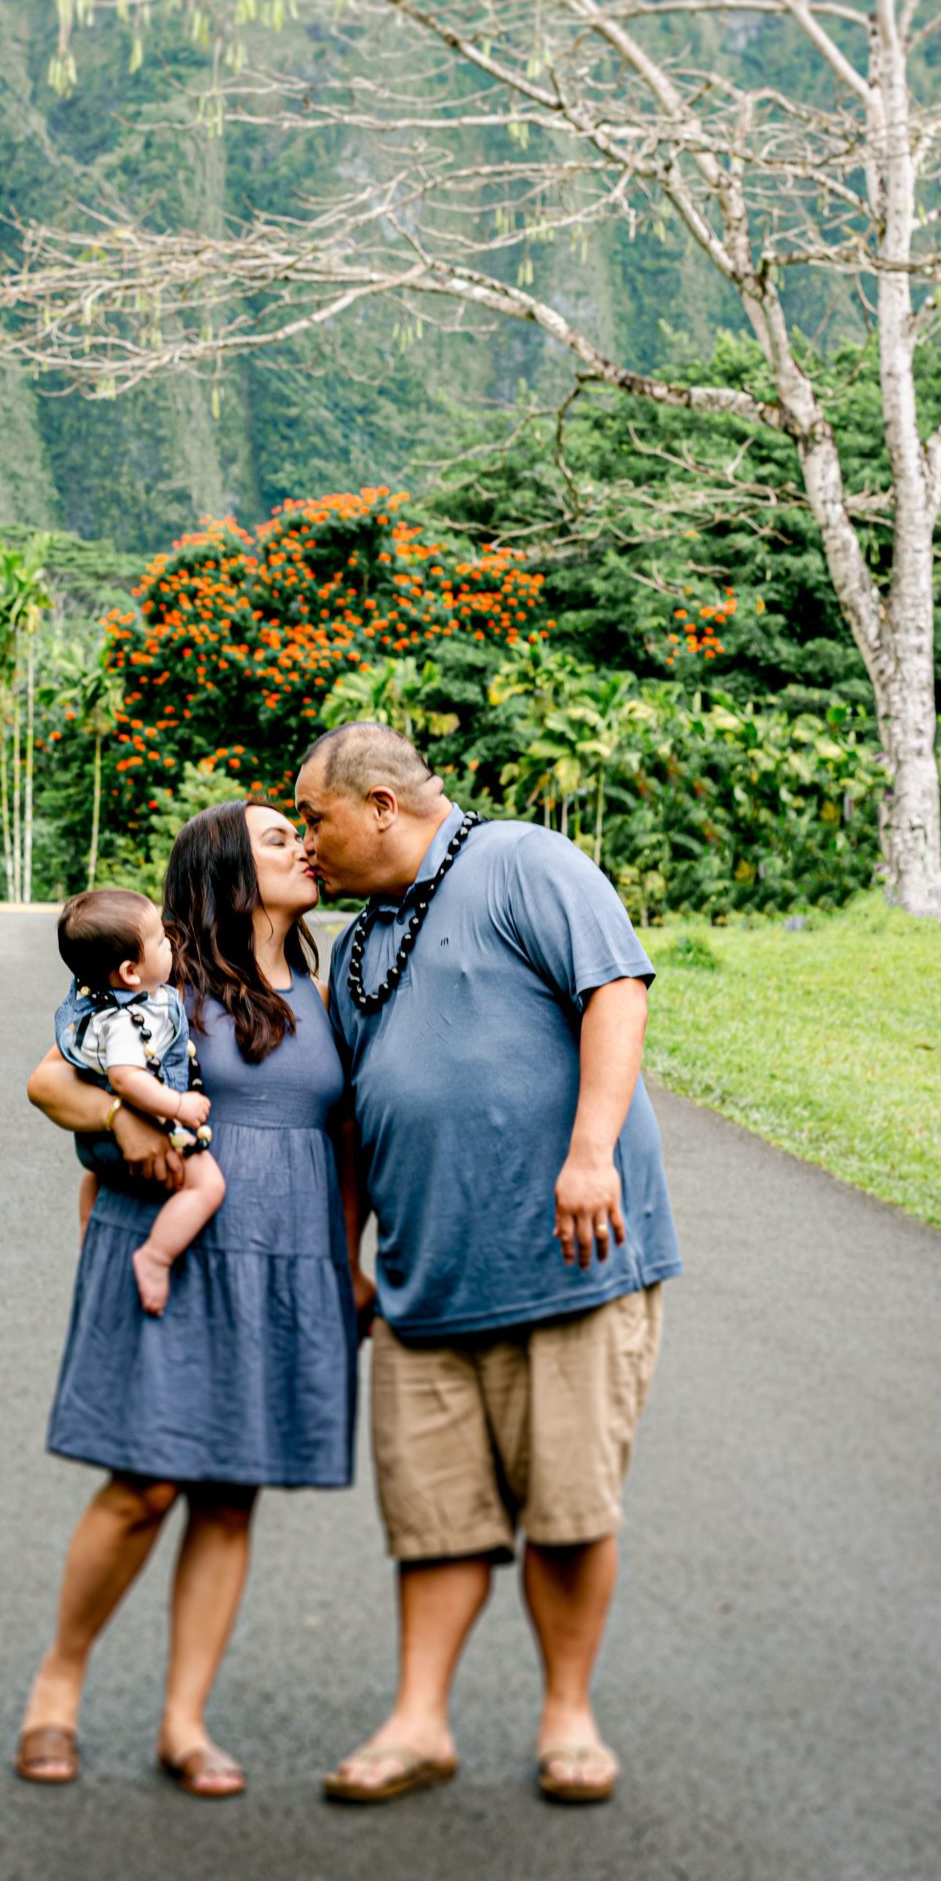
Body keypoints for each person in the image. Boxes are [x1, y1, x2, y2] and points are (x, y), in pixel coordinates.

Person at [295, 721, 681, 1809]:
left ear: (378, 803)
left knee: (567, 1505)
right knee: (434, 1514)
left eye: (313, 815)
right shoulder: (362, 943)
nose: (303, 839)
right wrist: (346, 1250)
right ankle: (418, 1721)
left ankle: (568, 1716)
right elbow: (356, 1118)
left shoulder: (522, 861)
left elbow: (615, 989)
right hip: (426, 1279)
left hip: (568, 1260)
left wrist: (590, 1152)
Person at [15, 802, 364, 1799]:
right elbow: (48, 1079)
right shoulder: (166, 983)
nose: (301, 843)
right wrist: (123, 1117)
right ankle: (58, 1686)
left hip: (286, 1253)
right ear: (223, 871)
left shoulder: (329, 981)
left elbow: (344, 1139)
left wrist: (346, 1262)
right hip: (168, 1245)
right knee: (144, 1484)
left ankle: (183, 1722)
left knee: (227, 1488)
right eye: (273, 838)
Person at [52, 885, 223, 1312]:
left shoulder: (98, 1007)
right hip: (139, 1124)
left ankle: (89, 1228)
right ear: (130, 972)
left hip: (95, 1147)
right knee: (207, 1186)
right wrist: (178, 1106)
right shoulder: (130, 1022)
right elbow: (127, 1079)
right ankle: (156, 1256)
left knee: (99, 1177)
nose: (171, 944)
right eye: (161, 941)